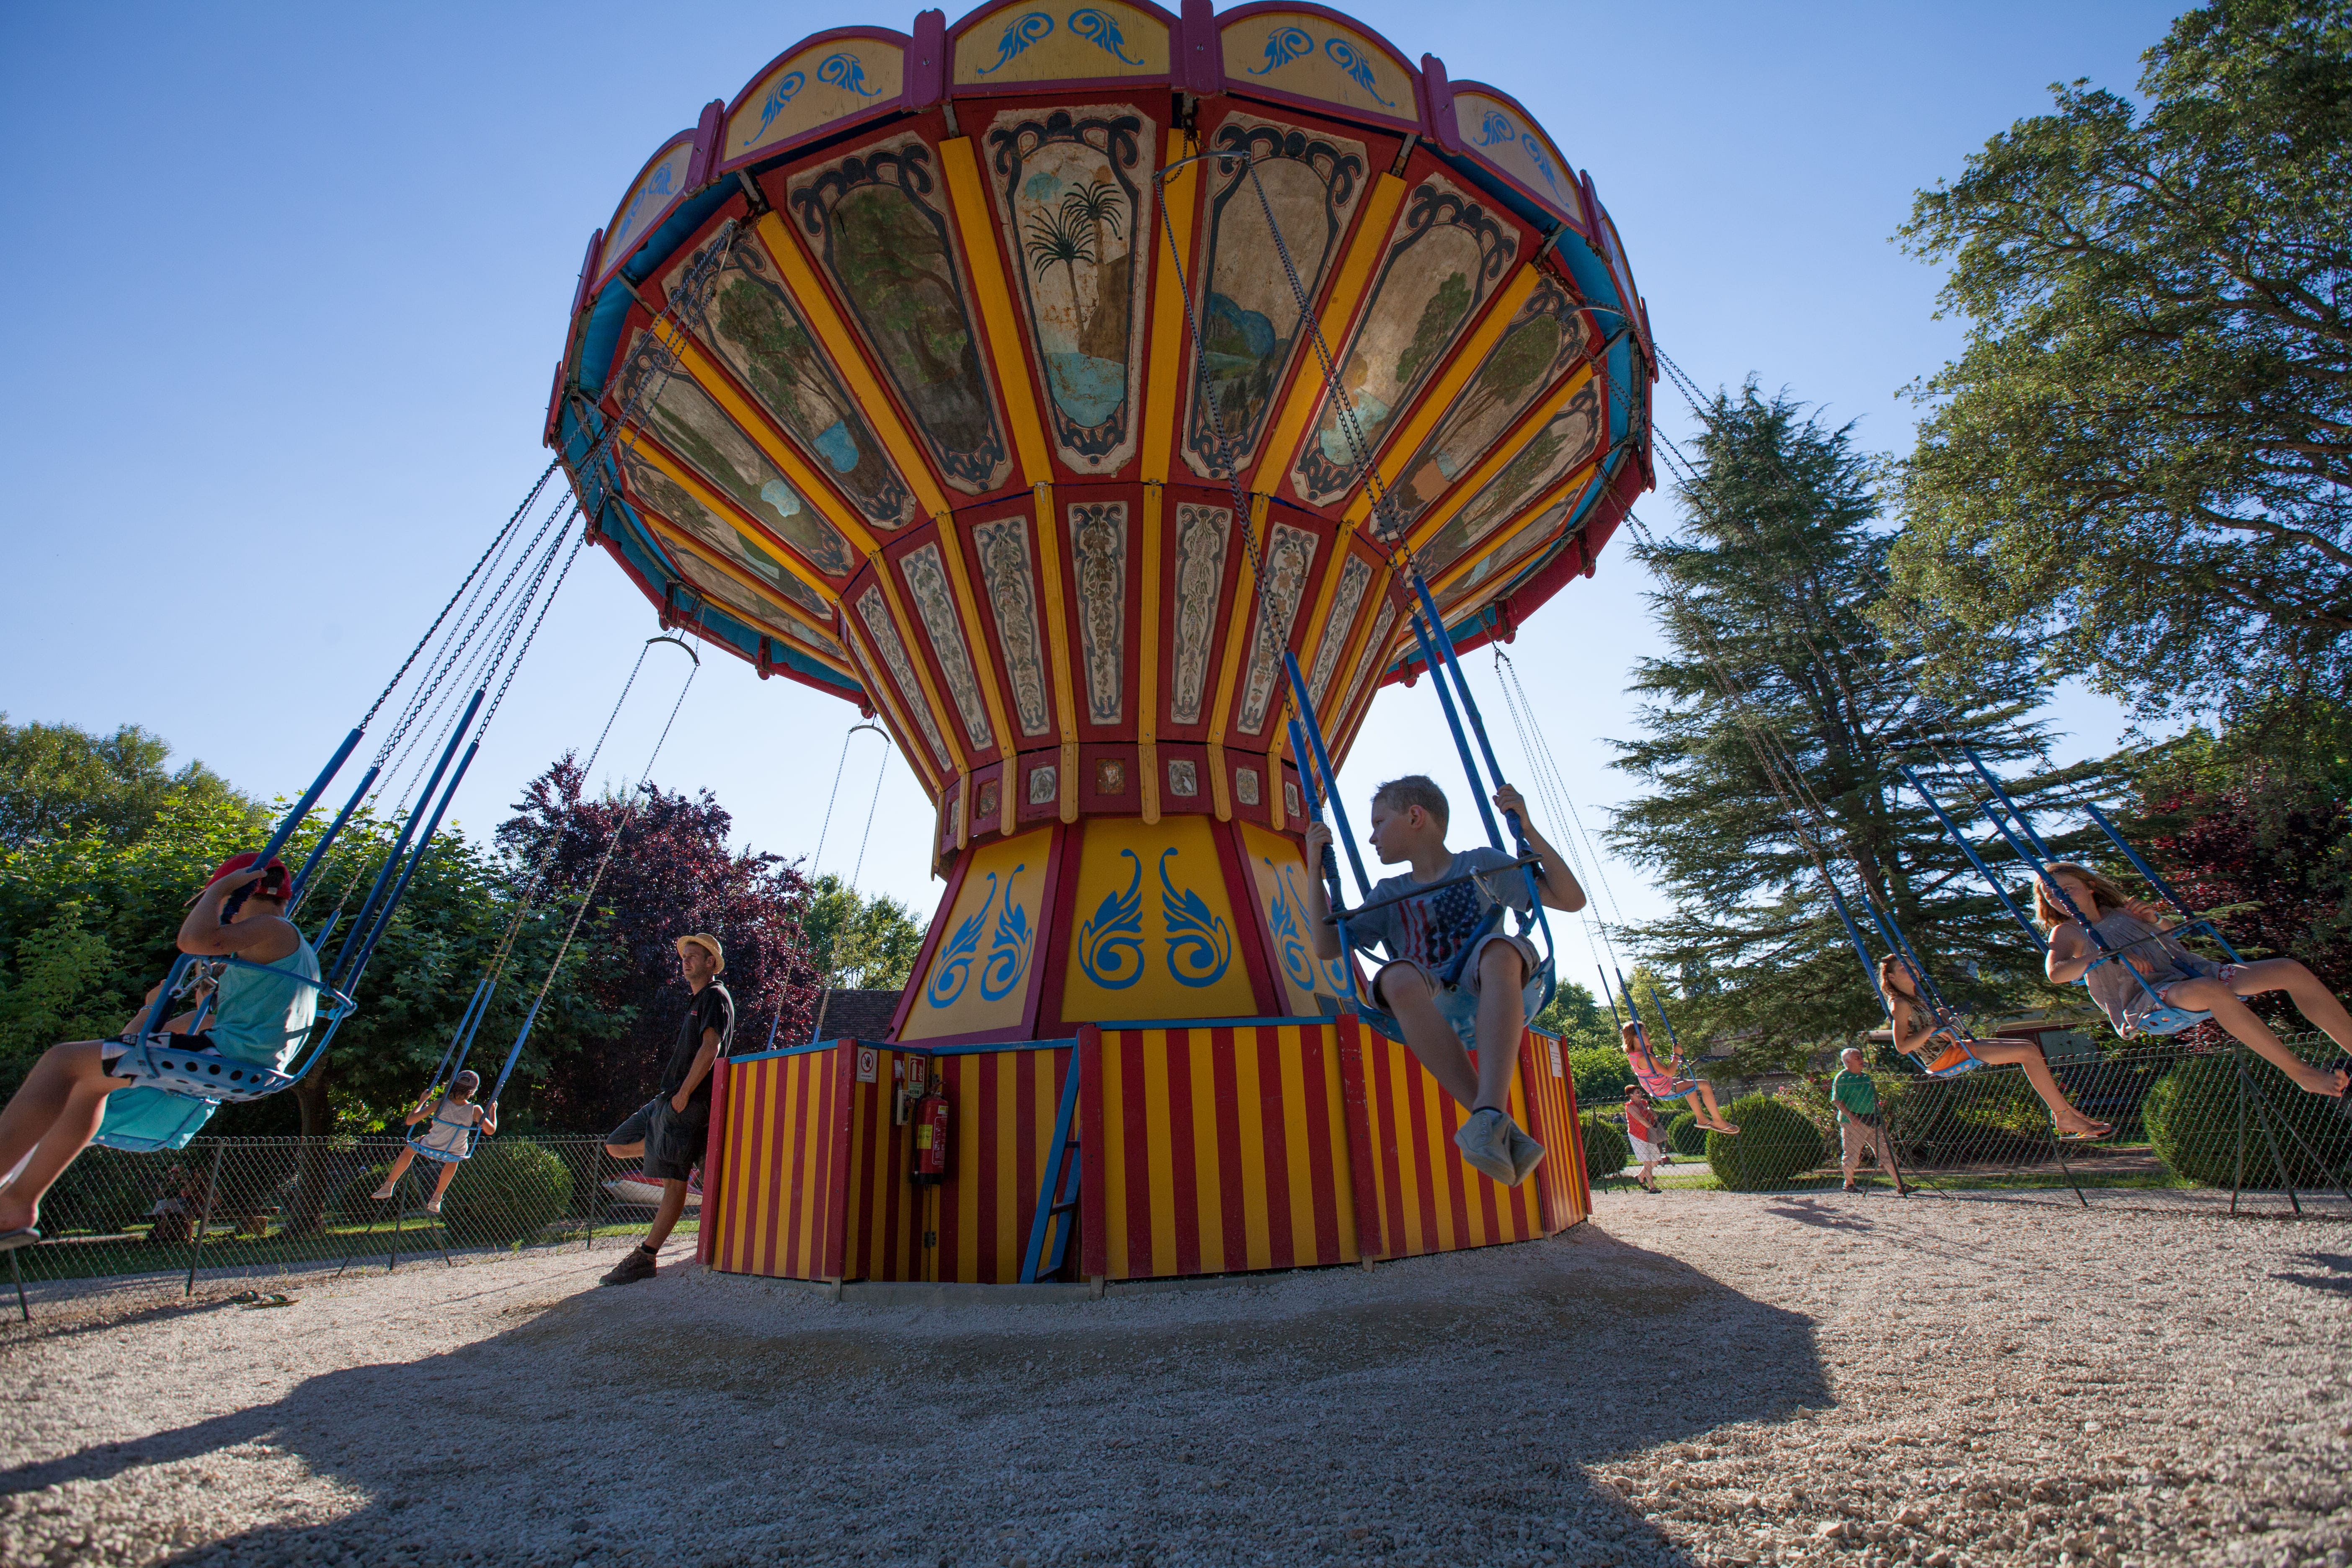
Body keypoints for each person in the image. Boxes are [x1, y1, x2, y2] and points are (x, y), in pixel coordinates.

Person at [0, 853, 321, 1250]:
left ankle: (14, 1196)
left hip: (231, 1059)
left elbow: (193, 942)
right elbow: (183, 1027)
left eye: (220, 904)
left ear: (236, 899)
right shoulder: (287, 951)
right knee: (88, 1082)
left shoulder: (273, 929)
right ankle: (17, 1205)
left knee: (61, 1060)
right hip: (246, 1064)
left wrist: (218, 891)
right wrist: (167, 1008)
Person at [1302, 775, 1586, 1187]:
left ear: (1416, 816)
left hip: (1491, 987)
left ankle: (1488, 1112)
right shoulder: (1388, 894)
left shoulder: (1483, 865)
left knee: (1499, 949)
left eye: (1380, 823)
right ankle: (1491, 1117)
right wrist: (1316, 871)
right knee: (1395, 975)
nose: (1372, 837)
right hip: (1429, 1001)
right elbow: (1328, 946)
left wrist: (1526, 828)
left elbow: (1570, 899)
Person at [2037, 861, 2352, 1101]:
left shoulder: (2123, 912)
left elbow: (2170, 932)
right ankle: (2301, 1073)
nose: (2059, 897)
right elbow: (2057, 973)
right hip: (2150, 998)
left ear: (2090, 886)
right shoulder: (2068, 933)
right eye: (2050, 895)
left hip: (2192, 972)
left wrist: (2155, 920)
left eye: (2067, 889)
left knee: (2288, 969)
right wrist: (2107, 956)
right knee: (2210, 991)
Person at [599, 933, 734, 1285]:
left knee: (674, 1182)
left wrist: (685, 1095)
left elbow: (711, 1048)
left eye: (694, 956)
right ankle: (646, 1255)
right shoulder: (697, 1001)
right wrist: (673, 1097)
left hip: (687, 1103)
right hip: (669, 1098)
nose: (686, 961)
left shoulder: (715, 997)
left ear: (711, 963)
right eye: (684, 956)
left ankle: (646, 1256)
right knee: (615, 1145)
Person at [1877, 954, 2112, 1138]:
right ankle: (2064, 1116)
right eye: (1903, 969)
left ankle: (2066, 1111)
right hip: (1943, 1058)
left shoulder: (1919, 999)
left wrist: (1942, 1017)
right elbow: (1903, 1046)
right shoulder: (1900, 1004)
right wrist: (1932, 1030)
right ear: (1892, 978)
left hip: (1954, 1049)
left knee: (2029, 1047)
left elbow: (1931, 1024)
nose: (1912, 971)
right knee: (2027, 1053)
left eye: (1913, 966)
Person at [369, 1070, 497, 1215]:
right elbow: (491, 1130)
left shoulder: (440, 1104)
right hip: (455, 1152)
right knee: (454, 1160)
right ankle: (437, 1198)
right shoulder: (475, 1110)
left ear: (453, 1086)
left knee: (410, 1149)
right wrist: (493, 1111)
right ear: (472, 1092)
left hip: (430, 1147)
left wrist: (422, 1100)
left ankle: (389, 1186)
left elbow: (410, 1120)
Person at [1619, 1020, 1739, 1135]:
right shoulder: (1646, 1057)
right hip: (1665, 1088)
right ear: (1637, 1037)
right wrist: (1676, 1055)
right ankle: (1719, 1121)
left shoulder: (1633, 1055)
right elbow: (1670, 1073)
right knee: (1705, 1085)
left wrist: (1648, 1048)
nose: (1649, 1036)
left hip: (1657, 1087)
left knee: (1690, 1085)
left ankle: (1702, 1119)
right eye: (1645, 1034)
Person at [1830, 1047, 1909, 1195]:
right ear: (1848, 1061)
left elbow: (1873, 1100)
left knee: (1887, 1154)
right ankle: (1849, 1184)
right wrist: (1852, 1117)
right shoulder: (1842, 1078)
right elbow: (1837, 1101)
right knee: (1853, 1156)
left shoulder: (1866, 1078)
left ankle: (1901, 1185)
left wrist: (1881, 1117)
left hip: (1873, 1120)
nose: (1862, 1060)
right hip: (1853, 1122)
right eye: (1857, 1058)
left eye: (1861, 1057)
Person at [1622, 1087, 1666, 1193]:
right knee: (1647, 1162)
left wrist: (1650, 1112)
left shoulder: (1644, 1103)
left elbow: (1655, 1116)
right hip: (1637, 1136)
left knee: (1655, 1161)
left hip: (1648, 1136)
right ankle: (1652, 1187)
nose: (1640, 1094)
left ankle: (1640, 1177)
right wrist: (1651, 1128)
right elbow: (1640, 1119)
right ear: (1631, 1095)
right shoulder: (1631, 1107)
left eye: (1640, 1092)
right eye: (1637, 1093)